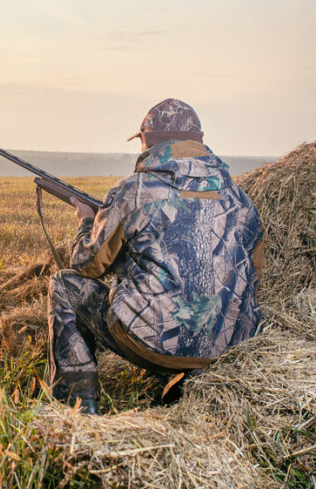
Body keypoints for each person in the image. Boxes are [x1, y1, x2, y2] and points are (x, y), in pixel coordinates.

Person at [46, 98, 264, 415]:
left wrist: (86, 222)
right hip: (229, 348)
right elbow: (254, 276)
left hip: (157, 344)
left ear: (148, 142)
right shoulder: (240, 198)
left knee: (64, 286)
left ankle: (77, 411)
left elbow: (86, 264)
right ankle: (189, 384)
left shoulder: (134, 189)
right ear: (197, 143)